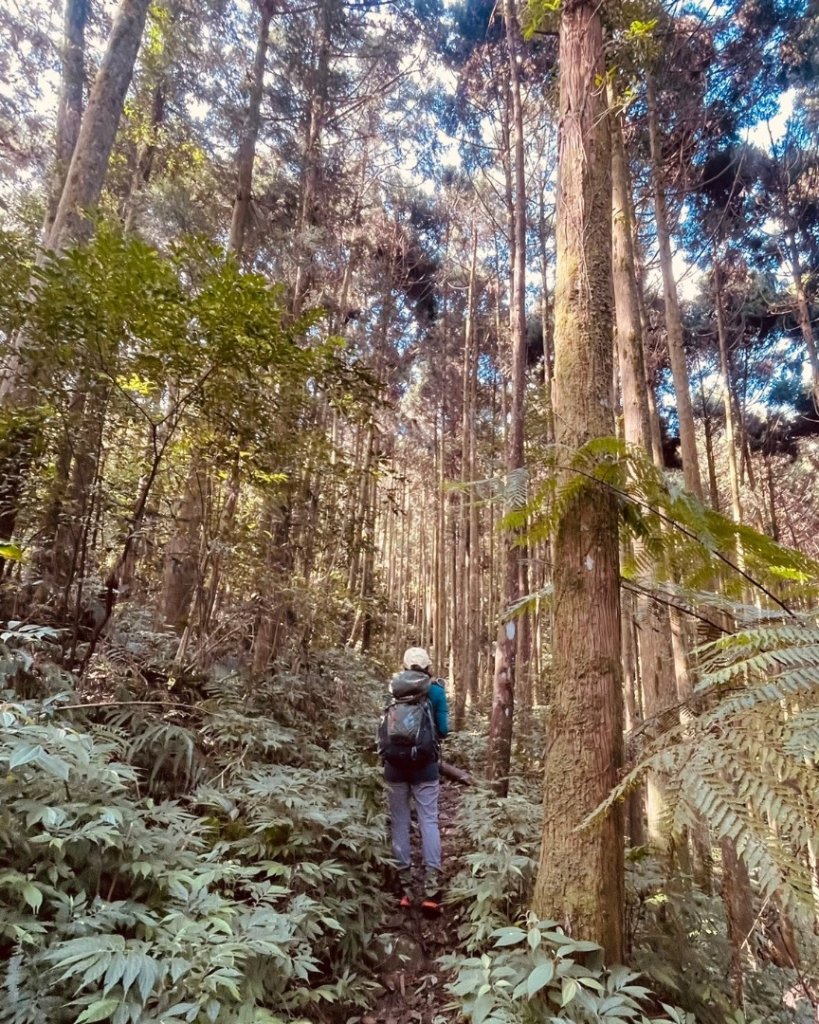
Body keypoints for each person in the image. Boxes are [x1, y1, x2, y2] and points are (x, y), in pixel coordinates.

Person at [379, 646, 449, 913]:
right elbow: (443, 731)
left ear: (406, 664)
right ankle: (432, 890)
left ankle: (405, 889)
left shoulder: (393, 688)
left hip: (394, 766)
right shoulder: (436, 691)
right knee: (428, 820)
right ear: (427, 665)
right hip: (425, 768)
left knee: (400, 822)